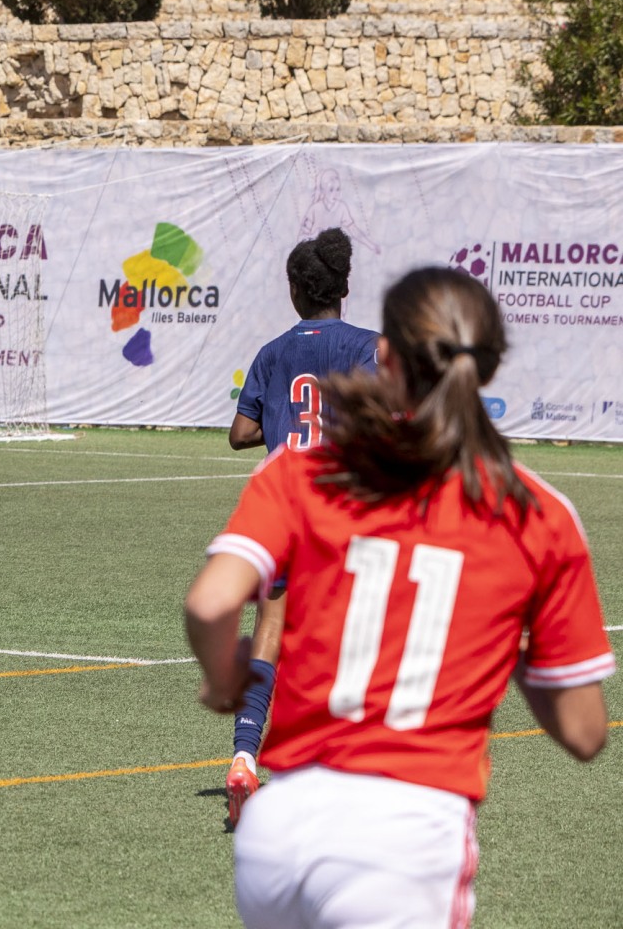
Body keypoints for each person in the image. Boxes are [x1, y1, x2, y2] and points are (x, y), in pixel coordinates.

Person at [186, 267, 611, 927]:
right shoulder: (535, 513)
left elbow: (211, 604)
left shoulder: (303, 470)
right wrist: (517, 643)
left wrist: (223, 684)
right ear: (489, 369)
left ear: (385, 355)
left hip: (280, 830)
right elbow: (585, 733)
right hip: (408, 835)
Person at [221, 228, 383, 829]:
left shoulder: (272, 352)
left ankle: (244, 757)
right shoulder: (369, 347)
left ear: (295, 291)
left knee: (269, 628)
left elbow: (240, 434)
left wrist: (283, 426)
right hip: (342, 506)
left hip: (282, 502)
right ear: (343, 290)